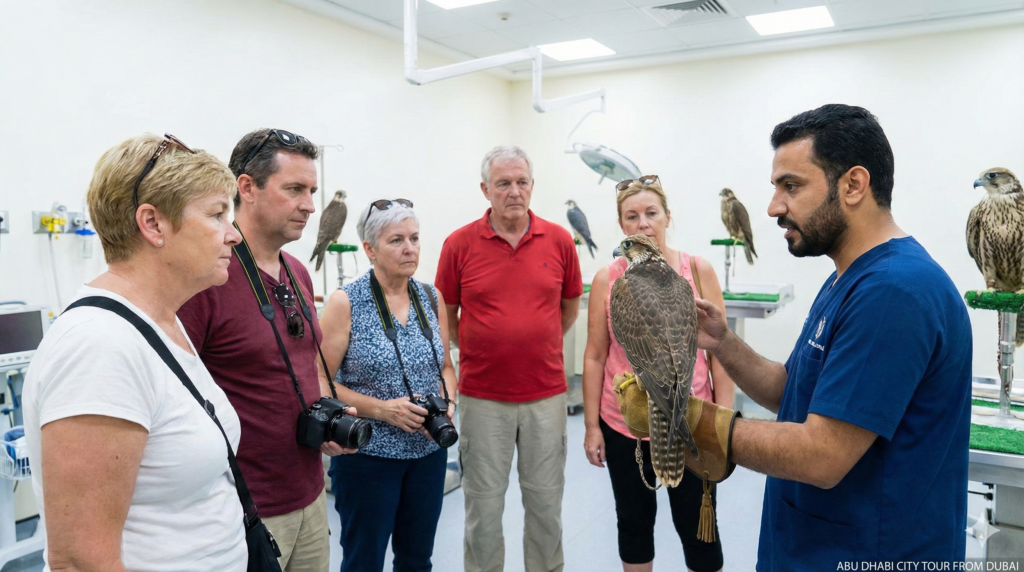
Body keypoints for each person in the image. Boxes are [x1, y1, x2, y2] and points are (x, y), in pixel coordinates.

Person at [690, 104, 972, 569]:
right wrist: (723, 342)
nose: (773, 206)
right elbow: (793, 392)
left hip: (869, 551)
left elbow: (822, 456)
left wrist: (700, 426)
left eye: (792, 186)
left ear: (853, 185)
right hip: (814, 546)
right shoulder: (848, 276)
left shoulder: (893, 292)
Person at [23, 134, 246, 570]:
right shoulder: (100, 346)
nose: (234, 235)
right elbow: (80, 560)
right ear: (153, 224)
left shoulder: (163, 320)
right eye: (218, 214)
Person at [178, 128, 354, 572]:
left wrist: (326, 418)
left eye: (312, 190)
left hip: (311, 495)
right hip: (244, 508)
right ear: (247, 188)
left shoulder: (297, 272)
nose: (311, 205)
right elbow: (177, 396)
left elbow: (303, 364)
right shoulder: (207, 279)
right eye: (294, 189)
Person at [435, 145, 583, 572]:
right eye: (503, 183)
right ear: (486, 189)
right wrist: (484, 344)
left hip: (546, 396)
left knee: (545, 505)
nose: (514, 191)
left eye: (521, 182)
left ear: (532, 186)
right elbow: (447, 314)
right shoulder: (459, 244)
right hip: (483, 398)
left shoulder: (558, 240)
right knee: (482, 508)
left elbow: (570, 305)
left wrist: (536, 338)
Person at [582, 176, 735, 572]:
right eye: (631, 216)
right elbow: (596, 356)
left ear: (668, 217)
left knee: (699, 527)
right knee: (633, 525)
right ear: (622, 226)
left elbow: (721, 352)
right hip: (624, 425)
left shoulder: (696, 271)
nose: (643, 223)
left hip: (693, 417)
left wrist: (725, 424)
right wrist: (592, 426)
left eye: (651, 213)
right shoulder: (608, 279)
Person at [318, 198, 458, 572]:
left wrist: (449, 406)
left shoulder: (431, 297)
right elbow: (320, 381)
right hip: (367, 458)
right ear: (370, 249)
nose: (409, 248)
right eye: (396, 240)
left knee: (417, 560)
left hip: (428, 455)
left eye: (414, 238)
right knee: (364, 560)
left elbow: (445, 366)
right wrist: (383, 410)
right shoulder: (346, 302)